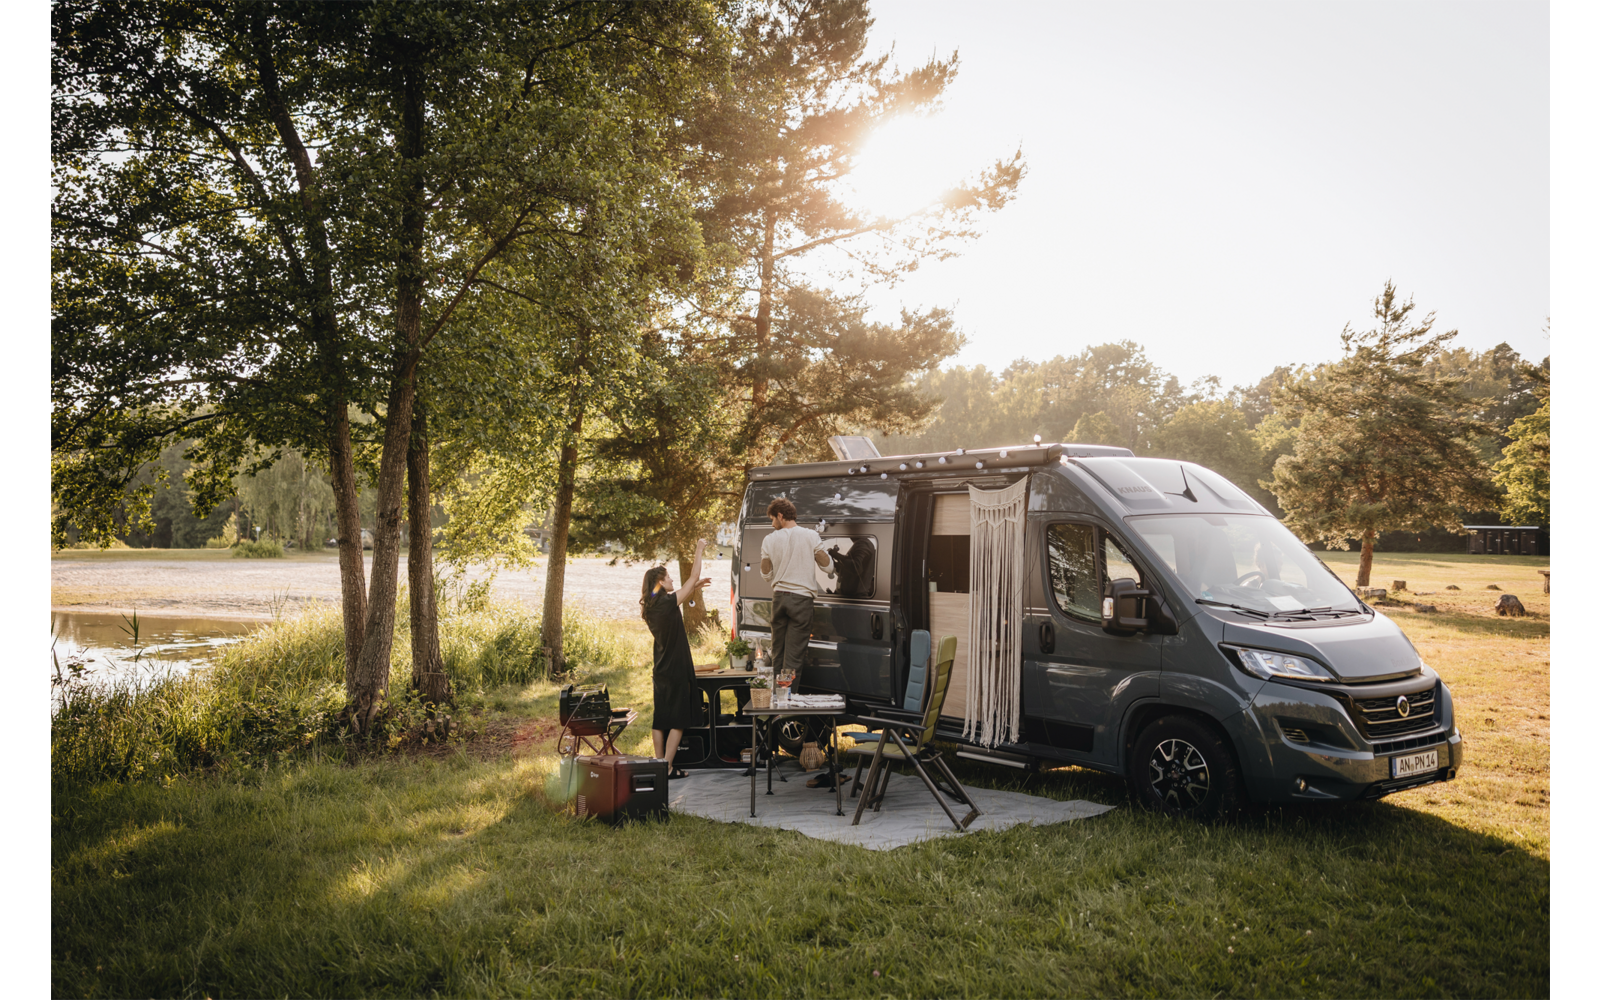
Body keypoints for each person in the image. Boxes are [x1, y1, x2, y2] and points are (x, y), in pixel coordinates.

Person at [640, 539, 712, 779]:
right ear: (661, 582)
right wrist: (699, 549)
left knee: (660, 719)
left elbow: (686, 588)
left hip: (661, 667)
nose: (672, 580)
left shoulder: (653, 605)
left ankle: (658, 763)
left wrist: (694, 587)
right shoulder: (668, 602)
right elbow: (692, 577)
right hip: (676, 666)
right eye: (668, 578)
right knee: (678, 719)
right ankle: (667, 767)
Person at [759, 497, 833, 686]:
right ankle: (785, 704)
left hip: (779, 600)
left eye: (772, 519)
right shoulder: (810, 536)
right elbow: (827, 566)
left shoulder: (769, 540)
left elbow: (766, 573)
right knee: (793, 657)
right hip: (801, 602)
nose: (772, 523)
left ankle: (775, 700)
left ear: (780, 516)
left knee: (778, 652)